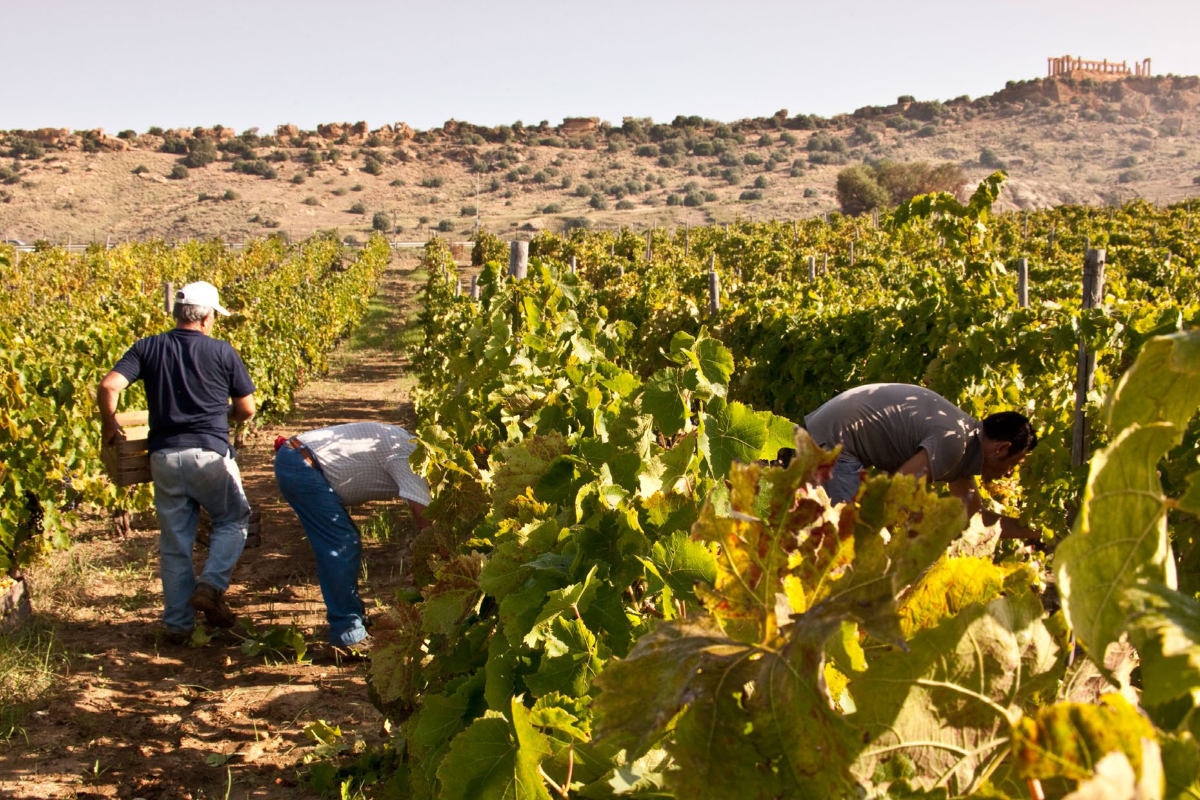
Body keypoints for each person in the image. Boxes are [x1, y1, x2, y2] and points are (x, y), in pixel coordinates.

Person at [97, 281, 256, 641]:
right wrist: (223, 417)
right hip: (209, 455)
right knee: (232, 519)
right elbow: (246, 409)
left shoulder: (148, 347)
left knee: (174, 542)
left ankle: (177, 625)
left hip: (164, 457)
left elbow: (109, 386)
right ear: (206, 318)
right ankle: (211, 585)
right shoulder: (222, 352)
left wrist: (110, 423)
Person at [273, 421, 431, 654]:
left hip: (298, 456)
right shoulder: (411, 460)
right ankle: (347, 634)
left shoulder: (406, 445)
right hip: (302, 465)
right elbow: (428, 526)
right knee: (341, 543)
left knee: (343, 540)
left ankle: (352, 619)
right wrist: (441, 564)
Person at [804, 383, 1038, 539]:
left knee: (846, 537)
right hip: (835, 443)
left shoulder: (962, 441)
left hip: (833, 435)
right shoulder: (954, 442)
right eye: (1014, 463)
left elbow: (973, 519)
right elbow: (895, 492)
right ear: (1002, 449)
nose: (1009, 473)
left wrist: (1033, 534)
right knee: (857, 542)